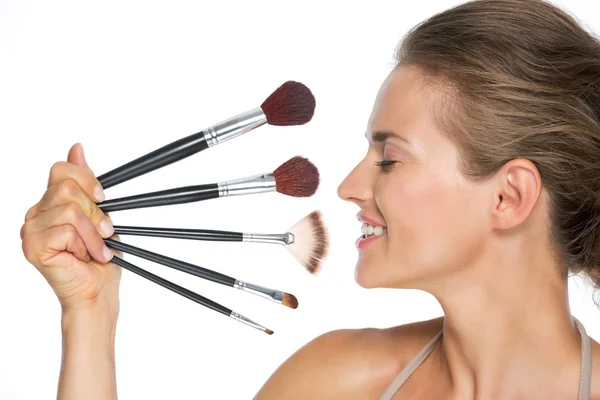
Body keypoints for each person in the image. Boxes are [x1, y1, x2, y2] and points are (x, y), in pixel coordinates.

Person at [20, 0, 600, 398]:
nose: (349, 186)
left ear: (509, 195)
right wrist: (90, 316)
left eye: (389, 158)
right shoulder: (336, 381)